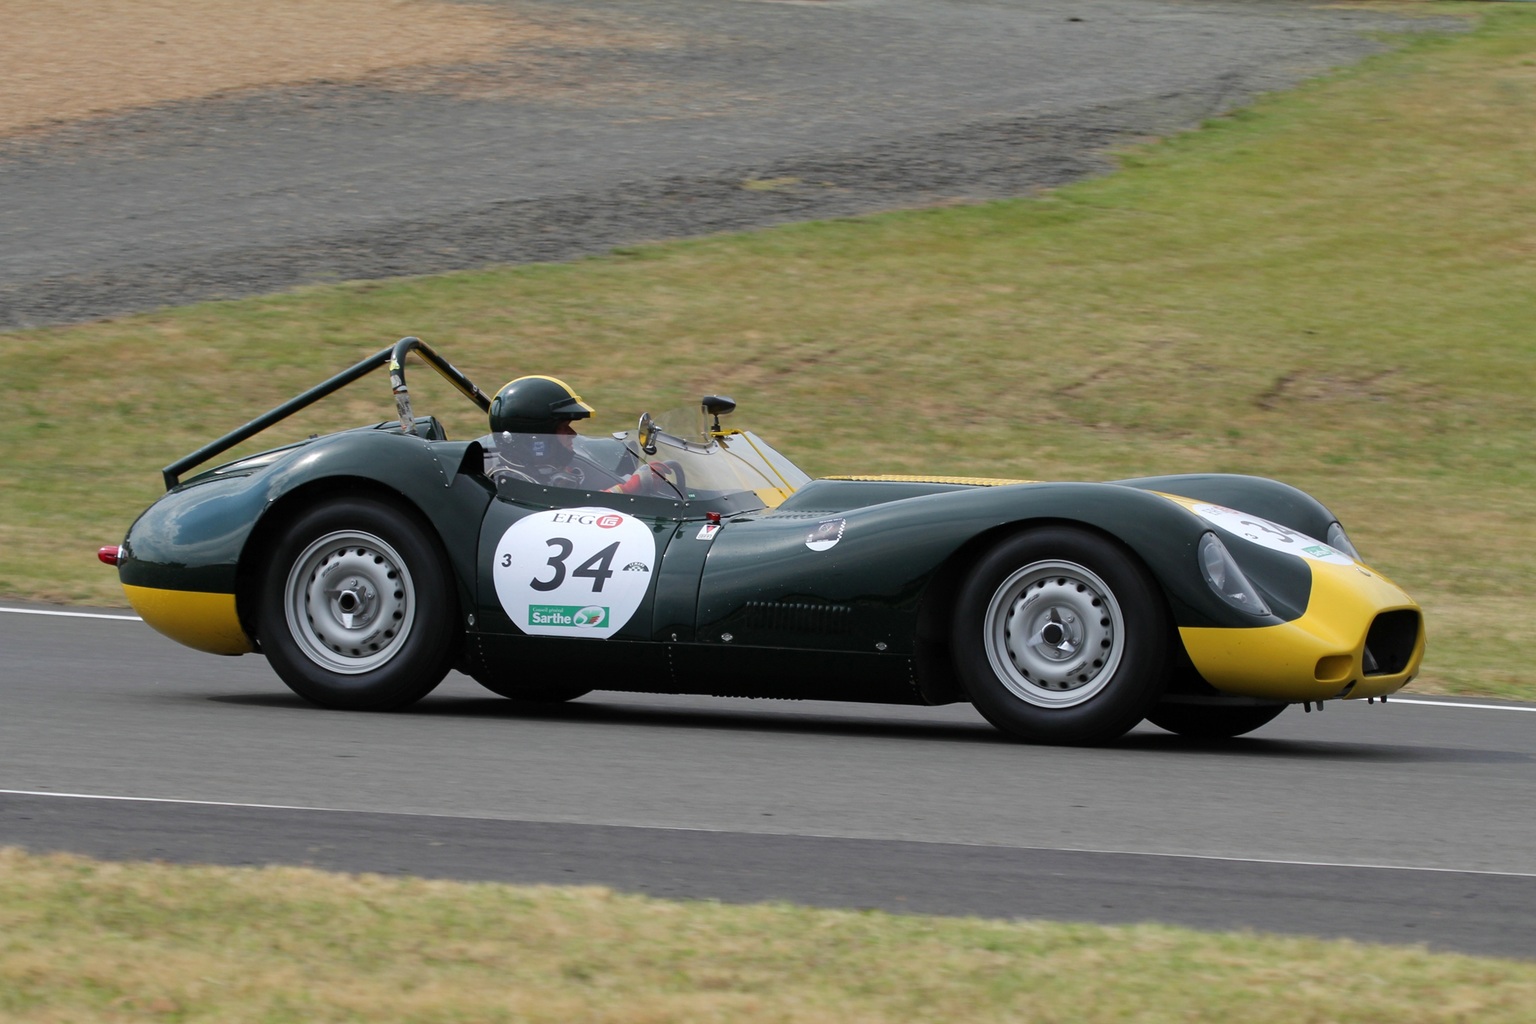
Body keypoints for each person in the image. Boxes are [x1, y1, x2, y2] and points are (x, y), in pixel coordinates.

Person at [481, 375, 682, 495]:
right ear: (537, 439)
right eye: (563, 428)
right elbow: (568, 516)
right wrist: (628, 489)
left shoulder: (556, 470)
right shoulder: (511, 482)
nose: (573, 434)